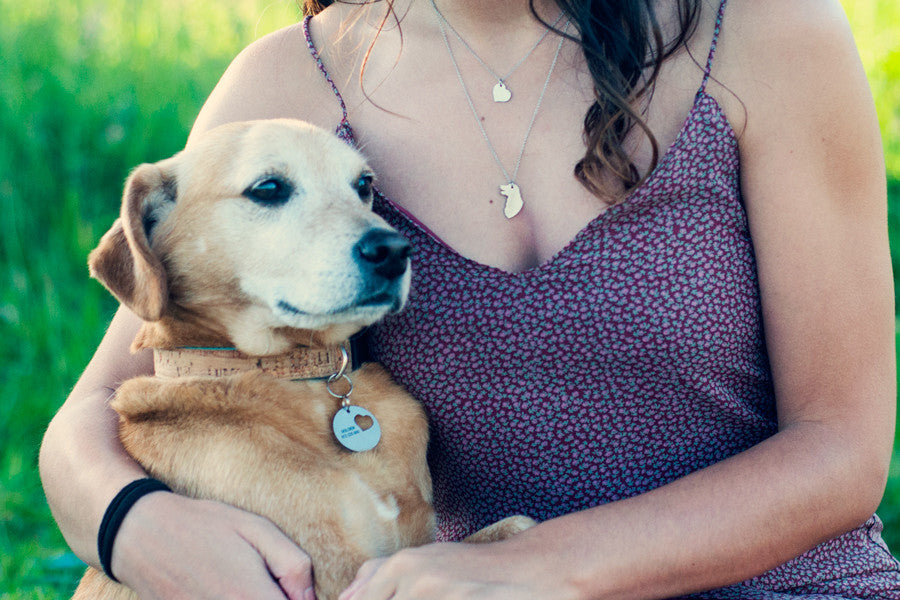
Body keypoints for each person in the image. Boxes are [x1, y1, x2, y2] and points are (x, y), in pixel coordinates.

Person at [40, 0, 900, 597]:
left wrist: (538, 570)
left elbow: (842, 448)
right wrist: (140, 528)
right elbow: (90, 417)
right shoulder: (294, 89)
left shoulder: (763, 35)